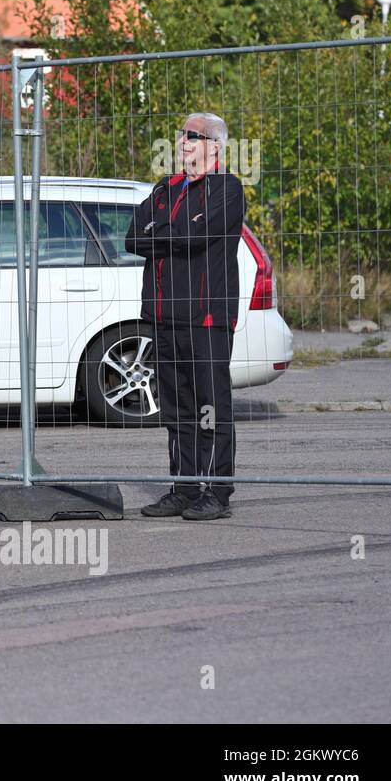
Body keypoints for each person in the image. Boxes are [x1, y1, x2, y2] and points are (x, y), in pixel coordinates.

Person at [125, 112, 245, 521]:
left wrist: (164, 235)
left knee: (212, 404)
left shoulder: (226, 188)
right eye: (181, 134)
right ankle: (184, 487)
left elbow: (196, 236)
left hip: (206, 316)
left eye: (192, 136)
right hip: (164, 316)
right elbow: (132, 237)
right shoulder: (166, 189)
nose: (182, 141)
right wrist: (170, 234)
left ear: (214, 146)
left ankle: (217, 490)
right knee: (176, 407)